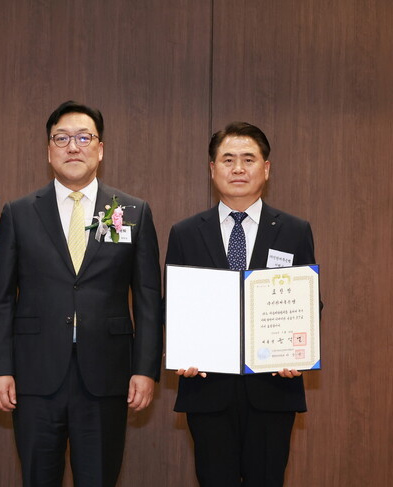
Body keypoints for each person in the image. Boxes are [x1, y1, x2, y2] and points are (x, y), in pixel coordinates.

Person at [0, 101, 163, 486]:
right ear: (49, 150)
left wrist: (145, 370)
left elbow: (148, 298)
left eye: (84, 138)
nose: (73, 147)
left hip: (107, 375)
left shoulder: (132, 211)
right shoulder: (19, 213)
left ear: (100, 149)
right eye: (61, 138)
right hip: (34, 376)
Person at [166, 122, 317, 487]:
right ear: (212, 168)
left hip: (273, 388)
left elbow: (309, 302)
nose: (238, 168)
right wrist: (180, 349)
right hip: (207, 389)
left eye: (248, 159)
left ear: (266, 168)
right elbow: (174, 304)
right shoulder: (185, 233)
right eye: (228, 159)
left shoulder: (295, 230)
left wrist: (298, 352)